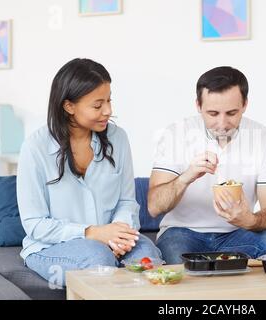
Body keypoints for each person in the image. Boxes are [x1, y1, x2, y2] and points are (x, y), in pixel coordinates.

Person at [17, 58, 161, 287]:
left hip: (109, 240)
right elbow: (35, 224)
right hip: (50, 246)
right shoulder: (35, 148)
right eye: (97, 105)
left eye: (109, 100)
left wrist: (119, 235)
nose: (108, 111)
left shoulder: (118, 138)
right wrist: (92, 233)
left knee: (148, 258)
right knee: (98, 259)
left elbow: (126, 201)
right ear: (69, 106)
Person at [148, 66, 266, 264]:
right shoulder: (175, 134)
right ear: (198, 105)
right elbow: (154, 207)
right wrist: (186, 177)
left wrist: (248, 219)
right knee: (175, 256)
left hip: (238, 234)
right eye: (213, 113)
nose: (222, 123)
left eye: (231, 113)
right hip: (182, 232)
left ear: (245, 105)